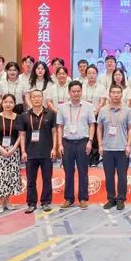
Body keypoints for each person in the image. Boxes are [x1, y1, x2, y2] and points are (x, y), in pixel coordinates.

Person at [17, 89, 58, 213]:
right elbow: (22, 135)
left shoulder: (50, 114)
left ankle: (46, 202)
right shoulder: (24, 115)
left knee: (47, 179)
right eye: (34, 97)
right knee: (31, 180)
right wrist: (23, 151)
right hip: (30, 153)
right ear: (30, 99)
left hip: (46, 152)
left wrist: (54, 148)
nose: (36, 99)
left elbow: (54, 132)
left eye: (39, 96)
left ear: (42, 98)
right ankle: (31, 203)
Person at [57, 81, 96, 210]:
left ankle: (83, 198)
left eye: (78, 91)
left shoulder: (88, 106)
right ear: (69, 92)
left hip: (82, 142)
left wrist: (90, 141)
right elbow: (59, 127)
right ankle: (69, 198)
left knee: (83, 172)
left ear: (81, 91)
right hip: (67, 142)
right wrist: (59, 144)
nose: (76, 93)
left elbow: (92, 124)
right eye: (73, 91)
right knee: (68, 172)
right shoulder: (62, 107)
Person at [97, 85, 131, 210]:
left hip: (122, 148)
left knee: (122, 176)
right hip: (107, 148)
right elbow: (99, 128)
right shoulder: (103, 110)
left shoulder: (128, 110)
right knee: (109, 176)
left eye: (118, 92)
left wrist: (128, 145)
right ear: (109, 94)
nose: (116, 95)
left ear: (122, 95)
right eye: (113, 92)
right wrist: (100, 145)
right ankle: (111, 199)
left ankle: (121, 199)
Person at [0, 94, 22, 214]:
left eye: (11, 102)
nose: (8, 104)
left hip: (13, 151)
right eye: (6, 102)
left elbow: (21, 135)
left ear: (14, 104)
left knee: (10, 177)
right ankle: (0, 203)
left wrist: (14, 148)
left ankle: (7, 202)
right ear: (1, 103)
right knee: (0, 177)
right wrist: (1, 149)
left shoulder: (19, 118)